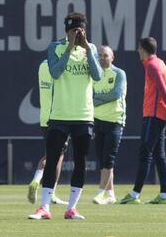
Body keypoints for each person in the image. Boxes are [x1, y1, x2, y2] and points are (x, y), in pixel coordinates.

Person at [28, 12, 102, 220]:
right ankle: (44, 207)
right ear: (67, 32)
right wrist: (69, 49)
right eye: (73, 31)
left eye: (80, 30)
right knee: (52, 160)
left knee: (80, 161)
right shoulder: (55, 47)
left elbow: (97, 76)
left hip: (83, 115)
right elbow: (55, 72)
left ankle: (72, 208)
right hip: (60, 115)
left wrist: (87, 49)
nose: (77, 34)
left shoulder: (92, 49)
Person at [117, 37, 166, 205]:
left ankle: (135, 195)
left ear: (143, 49)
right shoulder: (159, 63)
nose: (137, 51)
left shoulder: (152, 65)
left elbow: (163, 89)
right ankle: (164, 195)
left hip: (154, 115)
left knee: (145, 154)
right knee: (159, 155)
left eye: (139, 48)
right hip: (159, 115)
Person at [27, 60, 68, 205]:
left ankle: (51, 192)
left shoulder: (43, 65)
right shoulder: (60, 66)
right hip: (58, 117)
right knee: (54, 156)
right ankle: (37, 181)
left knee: (56, 155)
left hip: (45, 117)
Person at [92, 46, 127, 205]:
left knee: (109, 159)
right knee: (102, 159)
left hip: (114, 121)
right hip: (97, 121)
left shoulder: (119, 73)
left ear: (112, 57)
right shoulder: (95, 75)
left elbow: (116, 94)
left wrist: (97, 99)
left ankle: (100, 193)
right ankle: (111, 195)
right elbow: (90, 97)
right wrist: (98, 99)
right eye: (99, 55)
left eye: (105, 55)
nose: (102, 58)